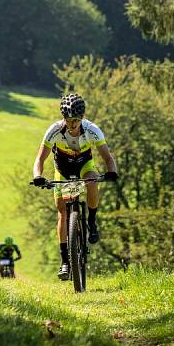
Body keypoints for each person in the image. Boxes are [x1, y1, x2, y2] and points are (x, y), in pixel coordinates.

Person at [32, 92, 118, 281]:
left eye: (76, 120)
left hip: (84, 166)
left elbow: (107, 157)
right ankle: (65, 261)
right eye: (69, 120)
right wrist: (38, 176)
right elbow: (40, 158)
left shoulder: (92, 130)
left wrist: (112, 171)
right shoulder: (54, 131)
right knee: (62, 211)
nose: (72, 124)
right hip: (62, 170)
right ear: (63, 117)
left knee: (93, 180)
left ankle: (92, 221)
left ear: (82, 118)